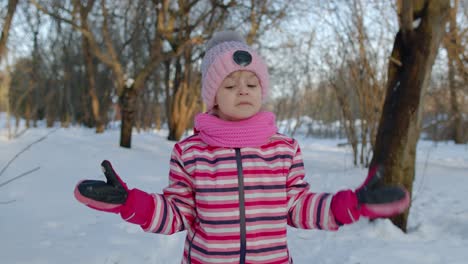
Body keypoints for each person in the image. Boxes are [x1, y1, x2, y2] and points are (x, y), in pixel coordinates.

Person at [74, 31, 410, 264]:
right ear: (212, 97)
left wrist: (350, 204)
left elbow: (298, 206)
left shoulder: (284, 149)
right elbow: (178, 214)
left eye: (252, 82)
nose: (243, 90)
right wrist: (130, 203)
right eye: (230, 84)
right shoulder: (190, 153)